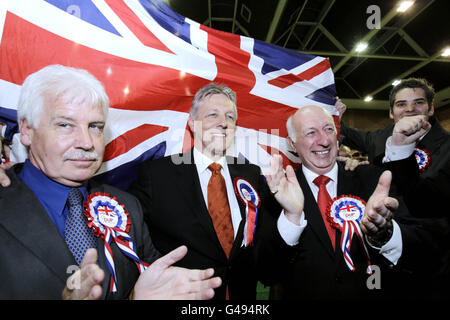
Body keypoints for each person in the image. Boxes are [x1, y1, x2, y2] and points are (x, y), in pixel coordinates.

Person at [0, 65, 221, 300]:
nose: (86, 142)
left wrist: (136, 296)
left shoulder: (127, 207)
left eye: (95, 127)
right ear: (26, 130)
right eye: (65, 125)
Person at [127, 83, 301, 300]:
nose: (223, 123)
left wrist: (293, 215)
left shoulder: (252, 175)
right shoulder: (156, 176)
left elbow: (268, 262)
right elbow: (129, 239)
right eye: (212, 115)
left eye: (230, 117)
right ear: (192, 124)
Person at [257, 105, 443, 299]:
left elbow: (424, 247)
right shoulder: (277, 193)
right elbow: (268, 273)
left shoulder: (374, 180)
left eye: (329, 129)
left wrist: (384, 233)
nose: (324, 140)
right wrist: (291, 218)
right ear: (292, 144)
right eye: (311, 132)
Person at [337, 78, 450, 180]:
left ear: (431, 109)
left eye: (418, 102)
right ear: (391, 112)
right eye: (401, 104)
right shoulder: (378, 138)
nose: (410, 109)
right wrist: (332, 113)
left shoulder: (446, 145)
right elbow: (346, 133)